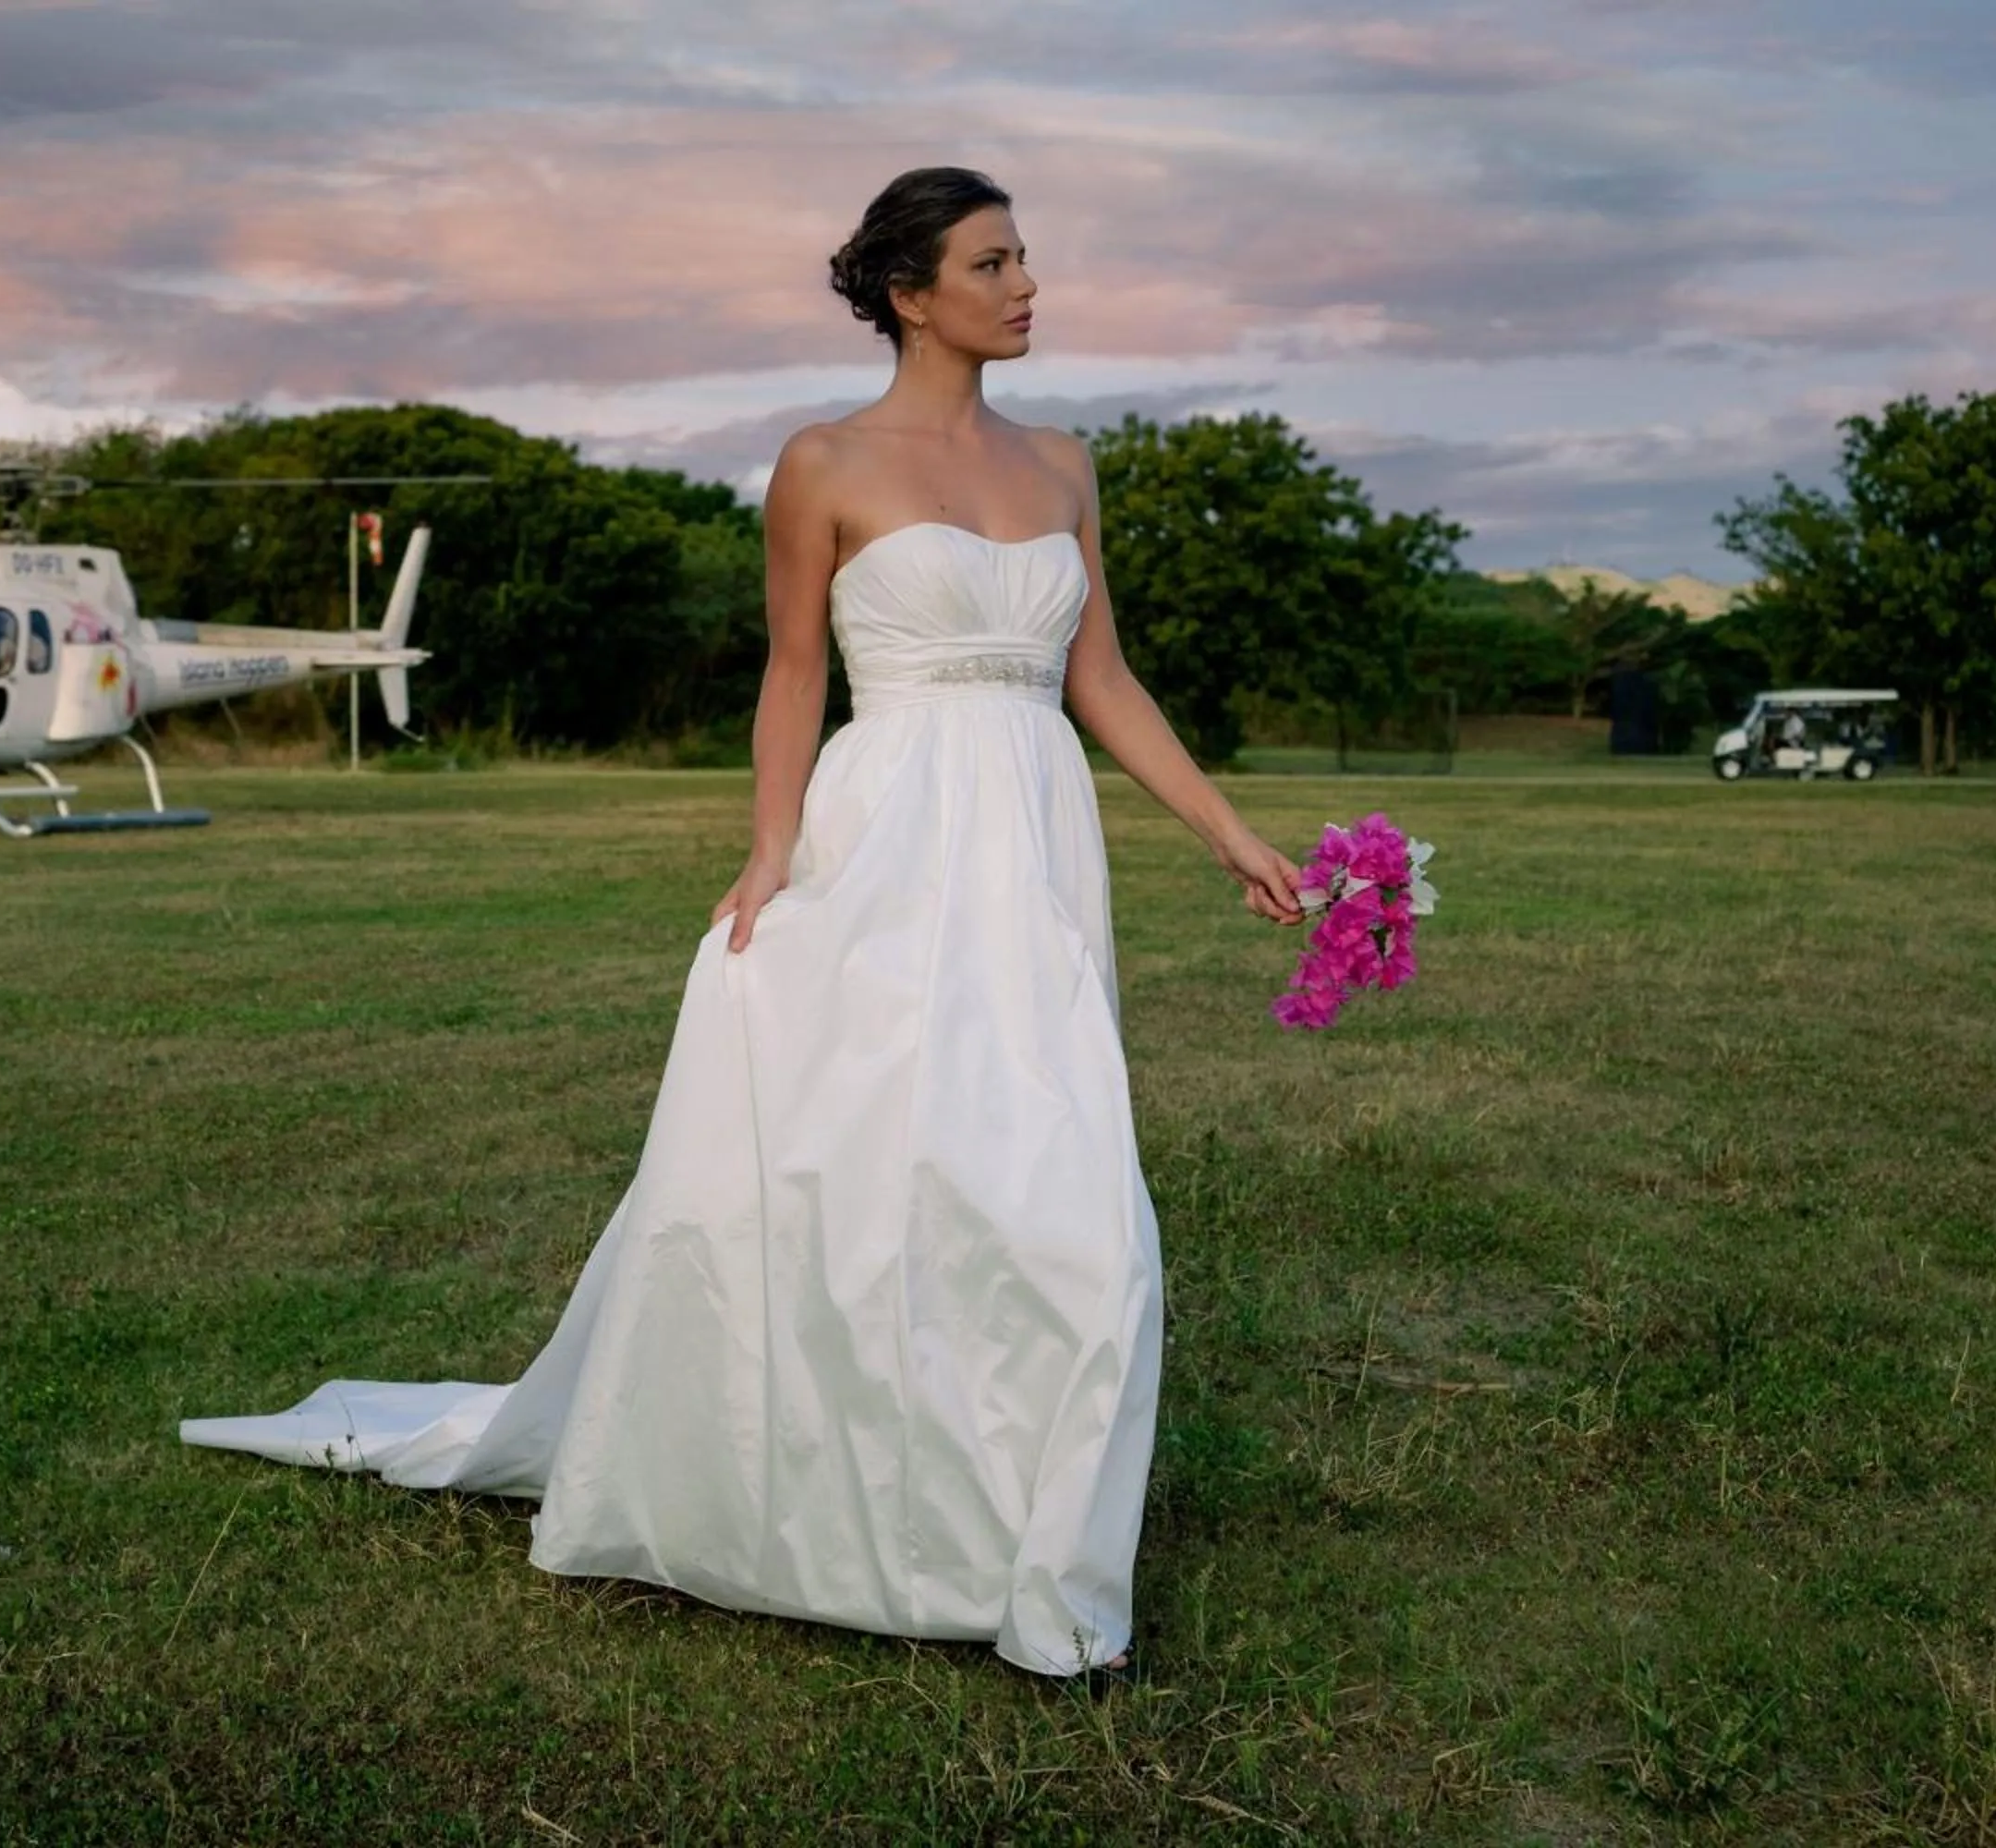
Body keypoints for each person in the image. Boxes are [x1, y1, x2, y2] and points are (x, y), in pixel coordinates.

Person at [182, 168, 1306, 1680]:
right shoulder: (822, 462)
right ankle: (851, 1497)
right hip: (887, 830)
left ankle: (1030, 1535)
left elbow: (1099, 677)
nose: (1027, 284)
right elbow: (794, 674)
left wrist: (1229, 834)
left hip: (1035, 850)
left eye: (1026, 257)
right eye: (992, 262)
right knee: (872, 1170)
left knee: (1060, 1184)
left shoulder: (1063, 466)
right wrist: (772, 854)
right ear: (912, 296)